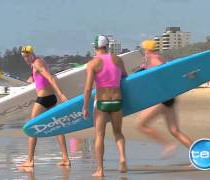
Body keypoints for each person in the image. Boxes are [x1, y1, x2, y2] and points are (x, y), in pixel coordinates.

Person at [136, 39, 193, 158]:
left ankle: (168, 145)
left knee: (140, 125)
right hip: (169, 98)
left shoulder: (153, 59)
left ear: (147, 49)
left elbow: (162, 74)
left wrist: (144, 70)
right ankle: (197, 155)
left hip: (161, 99)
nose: (143, 51)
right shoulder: (159, 57)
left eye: (143, 49)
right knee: (174, 131)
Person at [18, 45, 70, 170]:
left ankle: (30, 160)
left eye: (27, 56)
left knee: (31, 128)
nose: (26, 59)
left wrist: (61, 94)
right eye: (24, 57)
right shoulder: (38, 62)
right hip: (50, 98)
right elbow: (43, 77)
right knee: (57, 128)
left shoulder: (37, 63)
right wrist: (33, 78)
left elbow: (50, 78)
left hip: (43, 100)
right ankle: (65, 158)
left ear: (32, 53)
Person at [82, 35, 128, 177]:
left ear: (95, 48)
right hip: (117, 101)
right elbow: (125, 77)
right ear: (107, 46)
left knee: (99, 136)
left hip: (102, 102)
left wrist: (85, 107)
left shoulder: (92, 64)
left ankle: (100, 170)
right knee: (118, 132)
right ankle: (122, 158)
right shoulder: (118, 60)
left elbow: (88, 88)